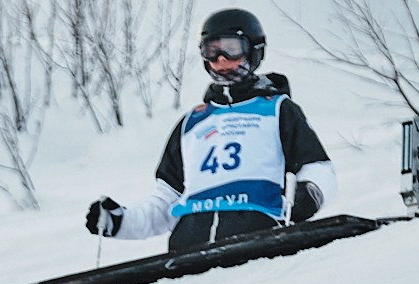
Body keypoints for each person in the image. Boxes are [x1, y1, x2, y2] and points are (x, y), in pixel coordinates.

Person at [86, 9, 335, 253]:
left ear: (254, 50)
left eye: (232, 48)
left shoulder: (278, 110)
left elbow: (318, 167)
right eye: (211, 50)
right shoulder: (193, 121)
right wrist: (120, 222)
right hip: (188, 249)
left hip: (259, 239)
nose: (221, 59)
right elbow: (167, 200)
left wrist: (309, 194)